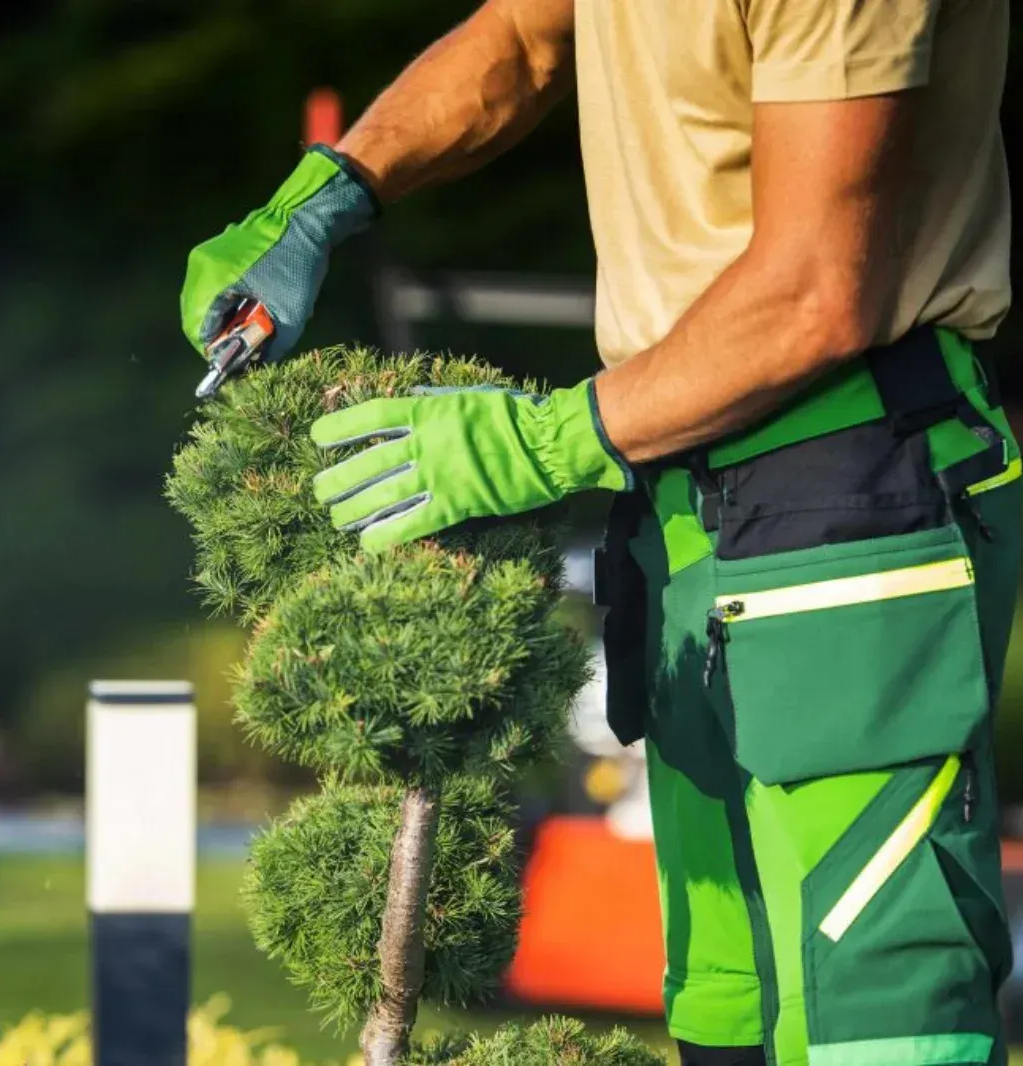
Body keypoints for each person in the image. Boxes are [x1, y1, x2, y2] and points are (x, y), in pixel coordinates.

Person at [178, 2, 1016, 1064]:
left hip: (852, 474)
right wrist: (330, 192)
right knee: (725, 994)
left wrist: (545, 439)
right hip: (675, 481)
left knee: (876, 1007)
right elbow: (526, 37)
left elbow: (816, 291)